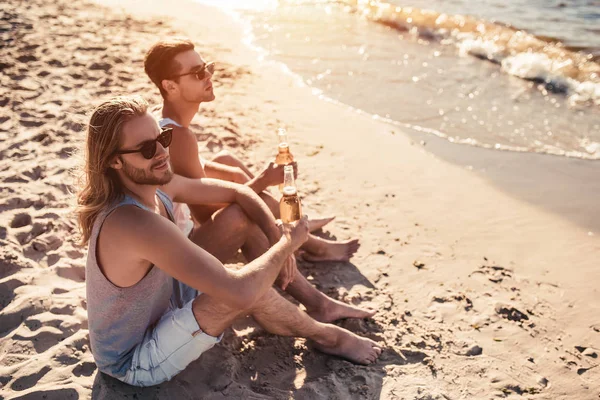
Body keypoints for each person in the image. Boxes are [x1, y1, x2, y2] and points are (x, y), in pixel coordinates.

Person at [76, 96, 382, 387]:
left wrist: (277, 239)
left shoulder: (157, 185)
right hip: (135, 360)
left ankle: (315, 307)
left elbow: (239, 193)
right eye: (146, 149)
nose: (161, 152)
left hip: (165, 302)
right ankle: (328, 336)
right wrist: (288, 244)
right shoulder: (133, 222)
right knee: (239, 289)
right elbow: (239, 292)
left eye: (163, 138)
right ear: (115, 162)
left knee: (243, 255)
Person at [144, 37, 360, 262]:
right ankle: (310, 242)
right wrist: (263, 180)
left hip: (179, 216)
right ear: (170, 86)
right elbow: (205, 213)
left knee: (227, 161)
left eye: (207, 67)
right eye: (198, 73)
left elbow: (194, 176)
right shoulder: (179, 137)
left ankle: (293, 222)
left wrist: (256, 181)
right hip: (185, 247)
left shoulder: (163, 119)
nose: (209, 75)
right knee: (252, 199)